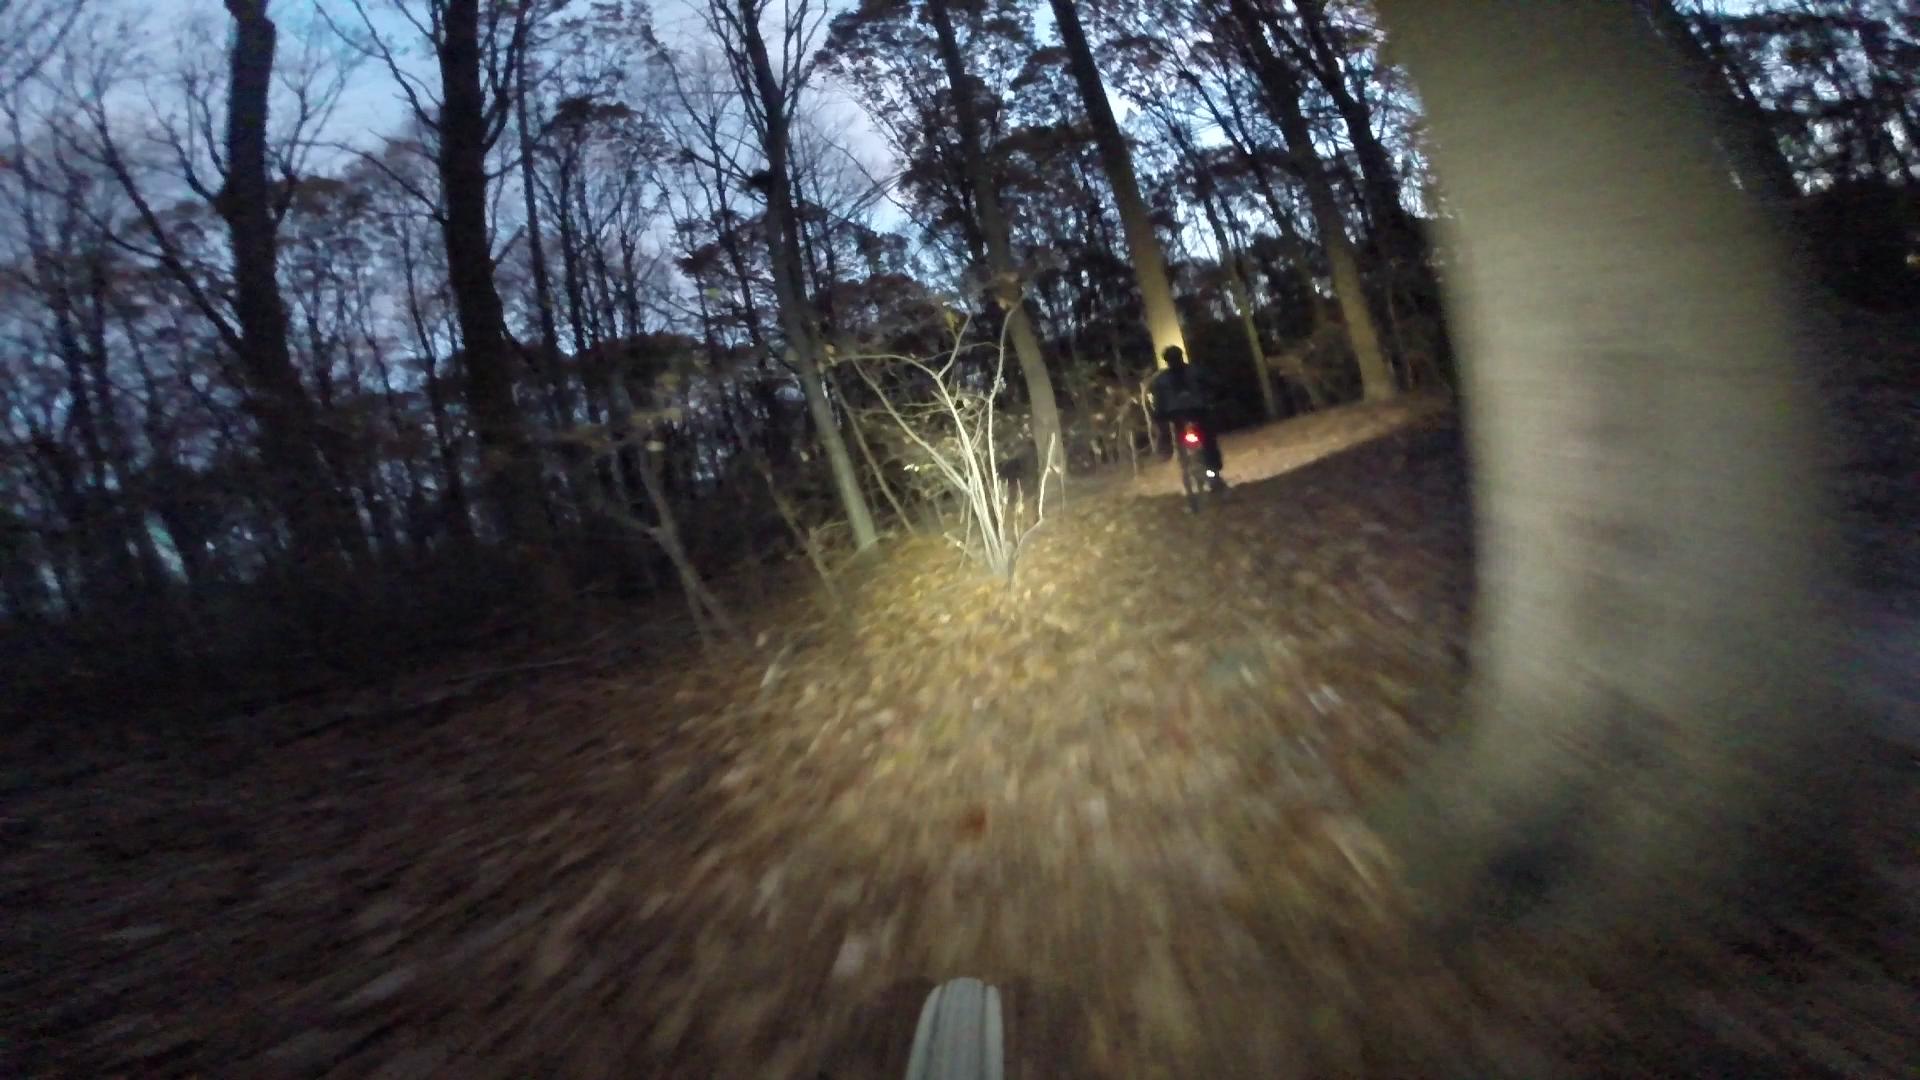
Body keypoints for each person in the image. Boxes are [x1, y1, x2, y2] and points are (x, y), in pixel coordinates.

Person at [1146, 345, 1226, 490]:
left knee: (1199, 440)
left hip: (1181, 415)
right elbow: (1214, 385)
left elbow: (1157, 400)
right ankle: (1211, 472)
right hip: (1194, 413)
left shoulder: (1161, 379)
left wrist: (1160, 414)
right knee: (1208, 441)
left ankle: (1197, 469)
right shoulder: (1195, 371)